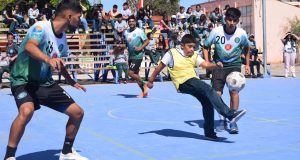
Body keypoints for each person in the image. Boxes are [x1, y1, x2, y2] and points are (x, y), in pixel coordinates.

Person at [3, 1, 88, 160]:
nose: (80, 20)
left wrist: (71, 81)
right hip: (23, 80)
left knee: (77, 113)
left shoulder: (62, 39)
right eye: (79, 17)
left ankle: (67, 152)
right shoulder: (41, 27)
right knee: (26, 112)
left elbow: (58, 63)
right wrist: (47, 60)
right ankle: (9, 156)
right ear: (69, 17)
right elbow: (29, 47)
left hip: (44, 83)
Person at [146, 34, 247, 140]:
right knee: (208, 88)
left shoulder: (194, 55)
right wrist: (151, 80)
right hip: (182, 82)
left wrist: (215, 66)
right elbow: (159, 68)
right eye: (189, 46)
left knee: (207, 102)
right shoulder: (172, 53)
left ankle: (209, 133)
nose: (192, 49)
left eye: (193, 47)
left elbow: (205, 64)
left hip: (193, 81)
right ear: (182, 46)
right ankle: (230, 114)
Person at [203, 7, 250, 134]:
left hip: (234, 65)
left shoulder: (241, 33)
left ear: (238, 21)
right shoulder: (216, 32)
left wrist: (247, 64)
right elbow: (206, 46)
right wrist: (208, 63)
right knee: (217, 94)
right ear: (225, 19)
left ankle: (233, 121)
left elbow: (246, 47)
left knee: (234, 92)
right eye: (229, 20)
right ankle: (222, 119)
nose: (232, 23)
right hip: (219, 66)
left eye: (234, 20)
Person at [123, 15, 149, 98]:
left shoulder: (139, 31)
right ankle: (144, 92)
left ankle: (145, 84)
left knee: (130, 73)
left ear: (135, 22)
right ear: (128, 23)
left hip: (138, 56)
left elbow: (147, 41)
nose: (131, 23)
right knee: (136, 75)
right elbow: (127, 43)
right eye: (129, 21)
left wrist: (140, 47)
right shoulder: (126, 32)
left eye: (132, 21)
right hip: (131, 56)